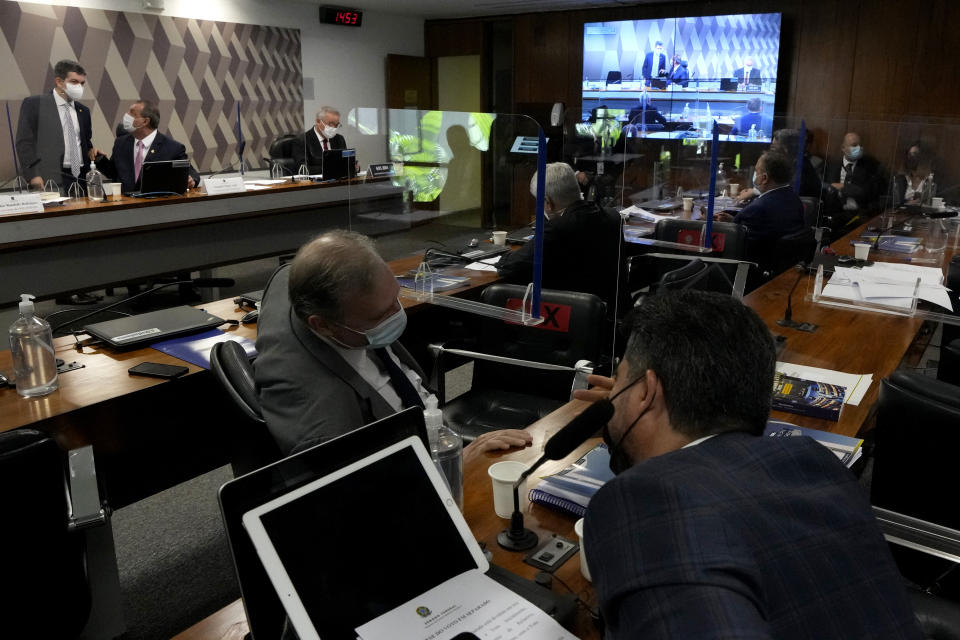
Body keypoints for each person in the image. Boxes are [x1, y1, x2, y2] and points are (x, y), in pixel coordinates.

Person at [576, 291, 923, 639]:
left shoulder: (641, 500)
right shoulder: (813, 462)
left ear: (646, 391)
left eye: (620, 379)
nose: (612, 396)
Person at [255, 230, 532, 459]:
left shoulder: (288, 280)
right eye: (380, 315)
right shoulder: (329, 431)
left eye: (396, 299)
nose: (397, 314)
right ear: (322, 325)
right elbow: (381, 503)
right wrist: (460, 462)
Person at [497, 163, 627, 318]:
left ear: (547, 202)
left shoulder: (557, 228)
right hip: (614, 315)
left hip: (571, 321)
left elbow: (508, 266)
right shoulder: (612, 216)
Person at [15, 59, 93, 192]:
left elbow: (84, 141)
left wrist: (92, 150)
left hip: (81, 177)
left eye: (82, 83)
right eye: (74, 82)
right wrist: (34, 175)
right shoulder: (35, 104)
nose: (79, 87)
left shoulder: (83, 111)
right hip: (49, 177)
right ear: (59, 81)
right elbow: (25, 143)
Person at [91, 100, 199, 193]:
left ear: (145, 121)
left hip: (155, 207)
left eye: (132, 113)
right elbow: (113, 172)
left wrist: (192, 180)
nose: (126, 115)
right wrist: (99, 158)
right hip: (124, 206)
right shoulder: (121, 143)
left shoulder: (172, 148)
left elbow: (191, 173)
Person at [717, 150, 805, 247]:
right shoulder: (795, 200)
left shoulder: (757, 209)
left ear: (764, 178)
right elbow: (763, 229)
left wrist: (713, 225)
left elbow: (736, 244)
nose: (754, 174)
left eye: (756, 171)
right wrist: (733, 222)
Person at [823, 131, 885, 226]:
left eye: (860, 145)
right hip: (835, 216)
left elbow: (865, 192)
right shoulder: (831, 166)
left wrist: (842, 187)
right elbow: (825, 189)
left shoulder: (870, 167)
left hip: (861, 217)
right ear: (843, 148)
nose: (859, 148)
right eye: (854, 145)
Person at [292, 106, 348, 174]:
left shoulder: (339, 139)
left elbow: (345, 162)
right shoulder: (302, 140)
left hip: (339, 182)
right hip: (314, 183)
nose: (334, 128)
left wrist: (353, 166)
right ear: (318, 121)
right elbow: (302, 169)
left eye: (337, 125)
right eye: (331, 124)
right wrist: (331, 168)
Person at [893, 141, 936, 208]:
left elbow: (933, 201)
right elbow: (896, 203)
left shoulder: (930, 178)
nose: (911, 157)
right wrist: (912, 202)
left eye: (915, 154)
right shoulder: (901, 178)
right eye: (909, 154)